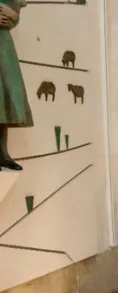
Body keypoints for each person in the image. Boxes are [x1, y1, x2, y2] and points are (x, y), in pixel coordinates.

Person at [0, 0, 33, 171]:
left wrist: (11, 16)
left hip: (3, 43)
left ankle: (2, 153)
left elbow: (14, 9)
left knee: (6, 96)